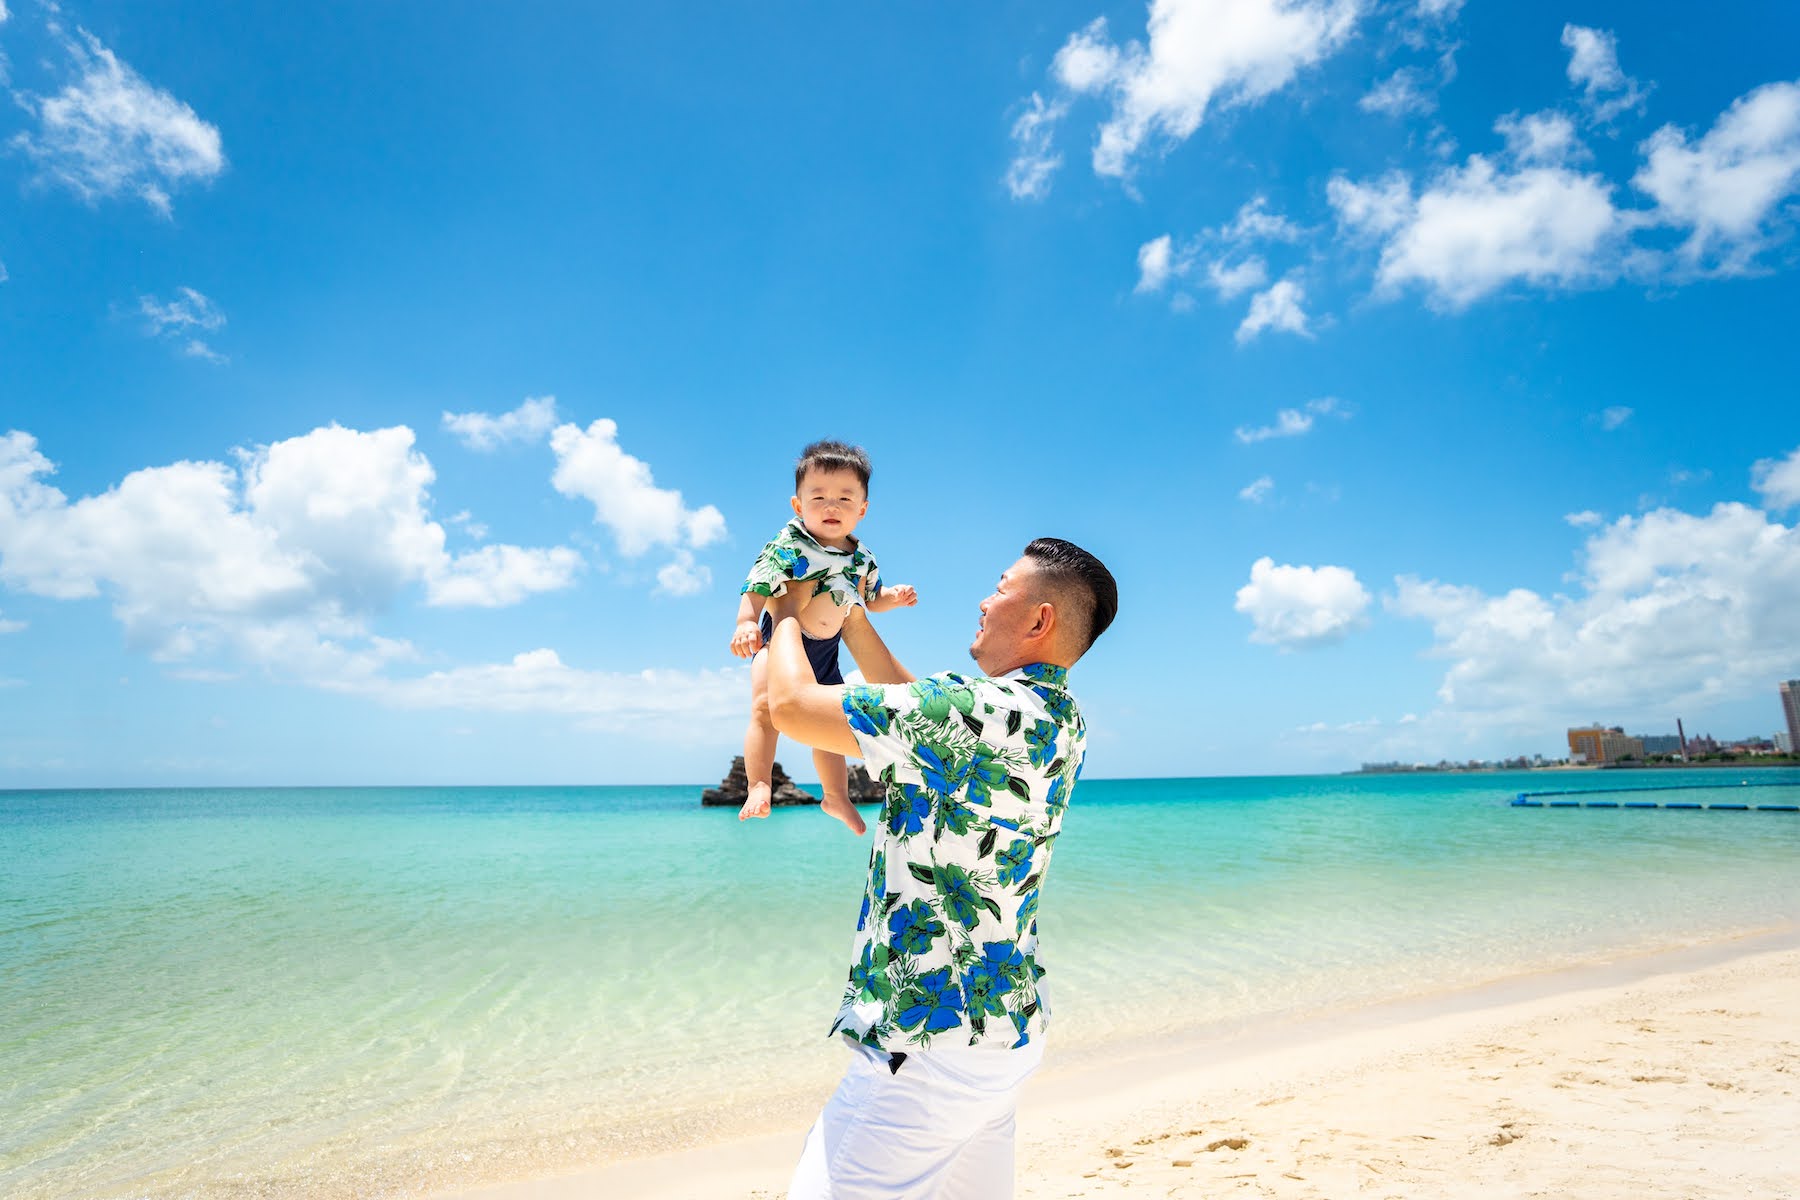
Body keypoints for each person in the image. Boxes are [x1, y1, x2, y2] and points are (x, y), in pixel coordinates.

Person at [763, 537, 1118, 1199]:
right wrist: (853, 619)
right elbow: (918, 711)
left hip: (926, 1052)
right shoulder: (1059, 719)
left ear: (1039, 619)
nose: (984, 601)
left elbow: (790, 707)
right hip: (1003, 1035)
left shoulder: (978, 710)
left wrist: (783, 608)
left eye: (1001, 587)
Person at [731, 440, 918, 834]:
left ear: (862, 509)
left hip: (827, 654)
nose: (831, 506)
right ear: (798, 505)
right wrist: (746, 621)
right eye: (818, 497)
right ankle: (759, 784)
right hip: (778, 646)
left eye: (844, 498)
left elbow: (871, 600)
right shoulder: (791, 542)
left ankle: (835, 795)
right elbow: (758, 583)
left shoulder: (862, 558)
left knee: (827, 725)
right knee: (764, 711)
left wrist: (892, 598)